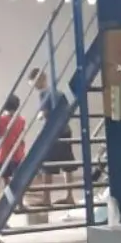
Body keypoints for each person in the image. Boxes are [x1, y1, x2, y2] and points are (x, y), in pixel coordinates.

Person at [28, 68, 76, 208]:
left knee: (47, 165)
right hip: (65, 130)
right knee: (67, 165)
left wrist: (39, 117)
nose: (34, 87)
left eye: (33, 83)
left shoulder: (44, 94)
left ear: (39, 79)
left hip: (54, 133)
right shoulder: (58, 92)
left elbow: (44, 114)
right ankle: (70, 196)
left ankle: (46, 198)